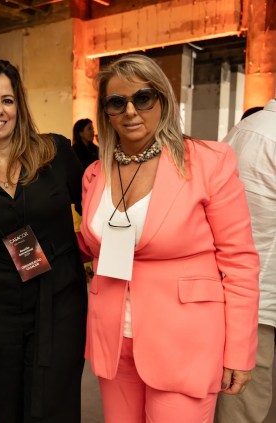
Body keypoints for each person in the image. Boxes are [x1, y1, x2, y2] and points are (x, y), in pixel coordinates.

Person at [77, 54, 259, 423]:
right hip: (113, 338)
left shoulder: (208, 163)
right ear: (106, 113)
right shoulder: (95, 173)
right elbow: (93, 244)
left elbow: (239, 261)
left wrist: (239, 350)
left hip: (185, 341)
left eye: (142, 98)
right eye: (117, 102)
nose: (130, 111)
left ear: (163, 100)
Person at [0, 59, 87, 423]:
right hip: (3, 303)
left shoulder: (55, 152)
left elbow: (95, 210)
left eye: (7, 100)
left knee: (55, 401)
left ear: (19, 106)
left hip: (61, 297)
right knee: (8, 402)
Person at [215, 98, 276, 423]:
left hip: (238, 290)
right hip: (260, 298)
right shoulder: (270, 136)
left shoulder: (244, 129)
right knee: (242, 406)